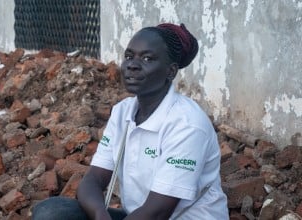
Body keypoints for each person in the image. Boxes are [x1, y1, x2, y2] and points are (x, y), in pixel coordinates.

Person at [32, 23, 229, 220]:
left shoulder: (187, 124)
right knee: (50, 213)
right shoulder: (122, 112)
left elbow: (158, 212)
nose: (132, 65)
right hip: (135, 216)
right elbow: (93, 179)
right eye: (128, 56)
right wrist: (100, 214)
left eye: (147, 58)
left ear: (171, 71)